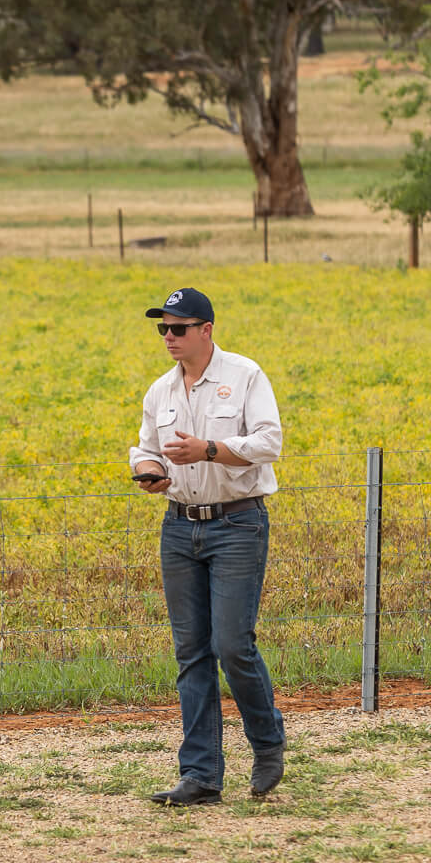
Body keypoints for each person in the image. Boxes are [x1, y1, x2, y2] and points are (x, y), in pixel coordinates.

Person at [129, 287, 286, 805]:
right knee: (191, 653)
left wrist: (210, 450)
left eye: (178, 328)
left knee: (232, 646)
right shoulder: (161, 392)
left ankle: (267, 744)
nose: (169, 338)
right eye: (163, 329)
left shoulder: (245, 376)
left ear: (206, 331)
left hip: (237, 525)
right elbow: (147, 447)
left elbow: (269, 442)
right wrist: (149, 470)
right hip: (179, 528)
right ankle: (200, 775)